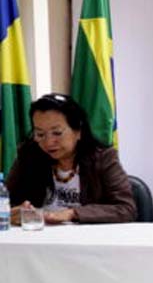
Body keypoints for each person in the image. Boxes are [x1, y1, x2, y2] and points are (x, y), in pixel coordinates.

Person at [6, 93, 136, 224]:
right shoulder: (28, 156)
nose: (49, 142)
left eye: (57, 133)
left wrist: (73, 213)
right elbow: (5, 199)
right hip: (39, 233)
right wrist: (12, 212)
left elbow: (126, 209)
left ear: (78, 131)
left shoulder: (103, 158)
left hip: (87, 235)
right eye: (40, 134)